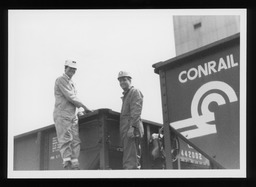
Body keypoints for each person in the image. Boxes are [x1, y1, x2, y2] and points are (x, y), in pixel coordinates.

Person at [53, 60, 92, 170]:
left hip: (72, 115)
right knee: (66, 139)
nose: (72, 71)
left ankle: (75, 164)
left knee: (75, 140)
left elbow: (73, 99)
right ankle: (67, 164)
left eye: (74, 69)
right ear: (65, 68)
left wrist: (79, 110)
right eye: (70, 68)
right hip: (62, 114)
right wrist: (85, 107)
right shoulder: (61, 80)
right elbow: (71, 97)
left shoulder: (72, 82)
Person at [117, 71, 144, 169]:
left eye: (124, 80)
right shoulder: (126, 95)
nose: (122, 82)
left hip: (132, 130)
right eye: (120, 81)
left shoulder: (135, 92)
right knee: (129, 160)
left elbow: (136, 111)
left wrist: (132, 127)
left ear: (130, 80)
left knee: (131, 162)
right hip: (127, 131)